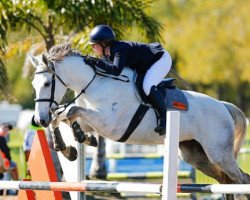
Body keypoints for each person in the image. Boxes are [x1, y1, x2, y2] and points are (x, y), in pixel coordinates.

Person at [84, 25, 172, 135]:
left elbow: (116, 70)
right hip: (145, 64)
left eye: (94, 45)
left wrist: (94, 61)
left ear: (103, 43)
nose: (92, 47)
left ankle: (165, 120)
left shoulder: (119, 49)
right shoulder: (107, 53)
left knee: (147, 86)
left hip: (160, 60)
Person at [0, 123, 18, 195]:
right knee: (13, 166)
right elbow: (6, 152)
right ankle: (16, 187)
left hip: (3, 162)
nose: (6, 131)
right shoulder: (1, 138)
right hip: (3, 163)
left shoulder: (3, 138)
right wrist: (9, 159)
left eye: (7, 130)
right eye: (4, 128)